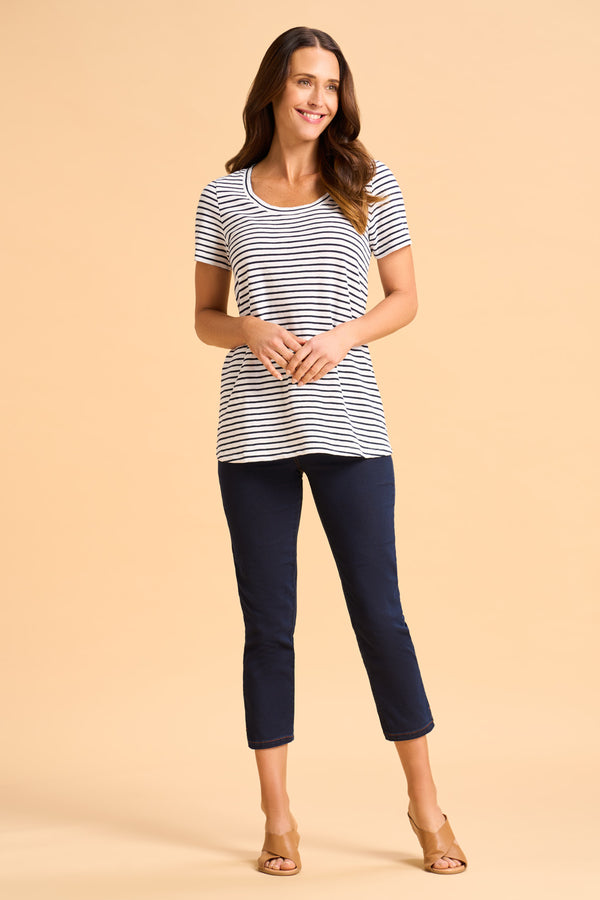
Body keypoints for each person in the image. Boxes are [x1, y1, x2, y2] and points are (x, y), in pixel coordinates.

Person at [193, 25, 467, 877]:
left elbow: (405, 297)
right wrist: (246, 328)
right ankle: (278, 816)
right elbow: (203, 319)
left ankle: (426, 805)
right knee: (268, 626)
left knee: (380, 615)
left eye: (332, 84)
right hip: (253, 433)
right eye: (305, 81)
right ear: (275, 88)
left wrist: (345, 335)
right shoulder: (223, 197)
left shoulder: (368, 182)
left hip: (349, 428)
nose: (319, 97)